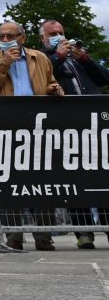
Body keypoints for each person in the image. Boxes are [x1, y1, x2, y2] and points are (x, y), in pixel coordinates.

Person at [0, 20, 63, 251]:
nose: (5, 40)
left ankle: (44, 236)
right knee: (9, 183)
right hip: (6, 130)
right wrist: (3, 64)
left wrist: (54, 89)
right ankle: (13, 236)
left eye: (10, 36)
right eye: (1, 37)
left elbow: (51, 81)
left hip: (38, 129)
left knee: (43, 185)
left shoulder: (40, 59)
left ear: (22, 38)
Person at [38, 19, 107, 249]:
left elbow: (103, 78)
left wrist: (84, 58)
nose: (58, 35)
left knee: (103, 177)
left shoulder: (78, 58)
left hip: (94, 124)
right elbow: (39, 78)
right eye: (52, 33)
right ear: (43, 38)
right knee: (75, 180)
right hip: (66, 126)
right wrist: (57, 55)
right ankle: (84, 232)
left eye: (61, 32)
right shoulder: (41, 58)